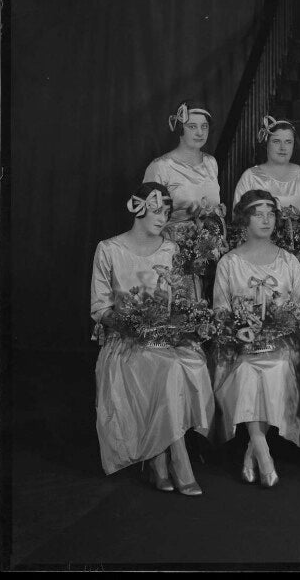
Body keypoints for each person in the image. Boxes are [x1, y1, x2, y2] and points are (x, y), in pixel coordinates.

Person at [90, 182, 214, 495]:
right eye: (157, 210)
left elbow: (183, 299)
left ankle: (160, 460)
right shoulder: (109, 249)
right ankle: (177, 459)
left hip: (166, 338)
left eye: (167, 212)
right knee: (168, 369)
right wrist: (130, 323)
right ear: (139, 208)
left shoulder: (171, 249)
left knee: (189, 364)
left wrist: (177, 323)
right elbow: (100, 307)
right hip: (127, 341)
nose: (162, 218)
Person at [212, 189, 300, 488]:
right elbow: (220, 309)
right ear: (245, 220)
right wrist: (239, 329)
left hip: (280, 342)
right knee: (246, 371)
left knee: (279, 366)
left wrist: (277, 327)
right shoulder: (229, 263)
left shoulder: (288, 261)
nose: (266, 219)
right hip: (240, 344)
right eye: (259, 214)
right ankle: (262, 450)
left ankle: (252, 450)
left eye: (271, 214)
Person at [232, 116, 300, 307]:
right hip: (259, 256)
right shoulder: (250, 176)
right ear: (266, 143)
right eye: (276, 141)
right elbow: (237, 217)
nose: (283, 147)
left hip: (298, 256)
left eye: (288, 142)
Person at [144, 100, 223, 299]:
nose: (199, 132)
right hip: (174, 254)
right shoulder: (161, 166)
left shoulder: (211, 163)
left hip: (209, 252)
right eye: (192, 126)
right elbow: (148, 218)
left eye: (204, 127)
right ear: (181, 128)